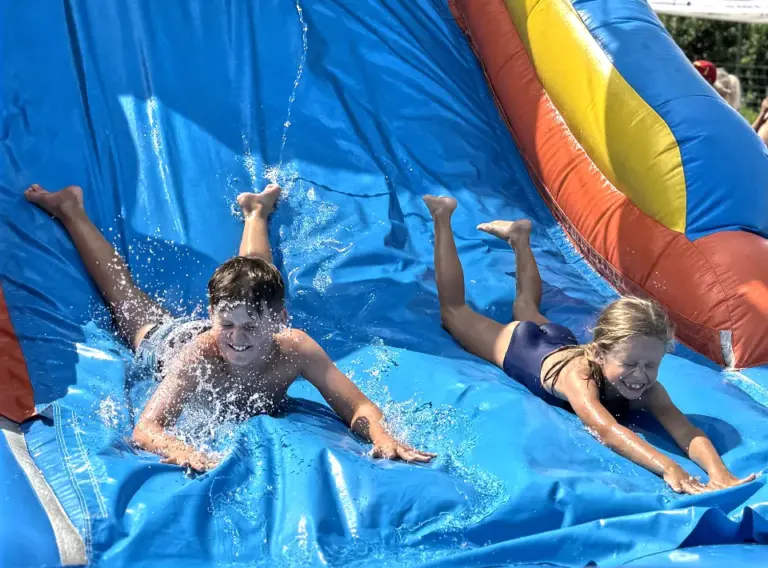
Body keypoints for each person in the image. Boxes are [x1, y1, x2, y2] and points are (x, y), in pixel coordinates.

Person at [25, 183, 436, 472]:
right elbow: (148, 428)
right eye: (228, 325)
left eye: (250, 329)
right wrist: (179, 449)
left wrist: (380, 434)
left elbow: (358, 406)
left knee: (258, 281)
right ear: (212, 314)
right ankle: (70, 208)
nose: (237, 341)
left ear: (281, 322)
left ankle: (256, 210)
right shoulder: (200, 355)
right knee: (125, 299)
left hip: (244, 314)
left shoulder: (295, 348)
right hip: (169, 341)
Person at [423, 195, 757, 494]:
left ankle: (520, 238)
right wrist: (670, 467)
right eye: (631, 363)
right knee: (455, 312)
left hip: (559, 340)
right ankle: (442, 216)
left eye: (650, 365)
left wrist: (720, 473)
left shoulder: (647, 387)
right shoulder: (579, 378)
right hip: (523, 347)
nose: (640, 375)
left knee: (527, 307)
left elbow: (685, 429)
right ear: (598, 352)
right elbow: (606, 429)